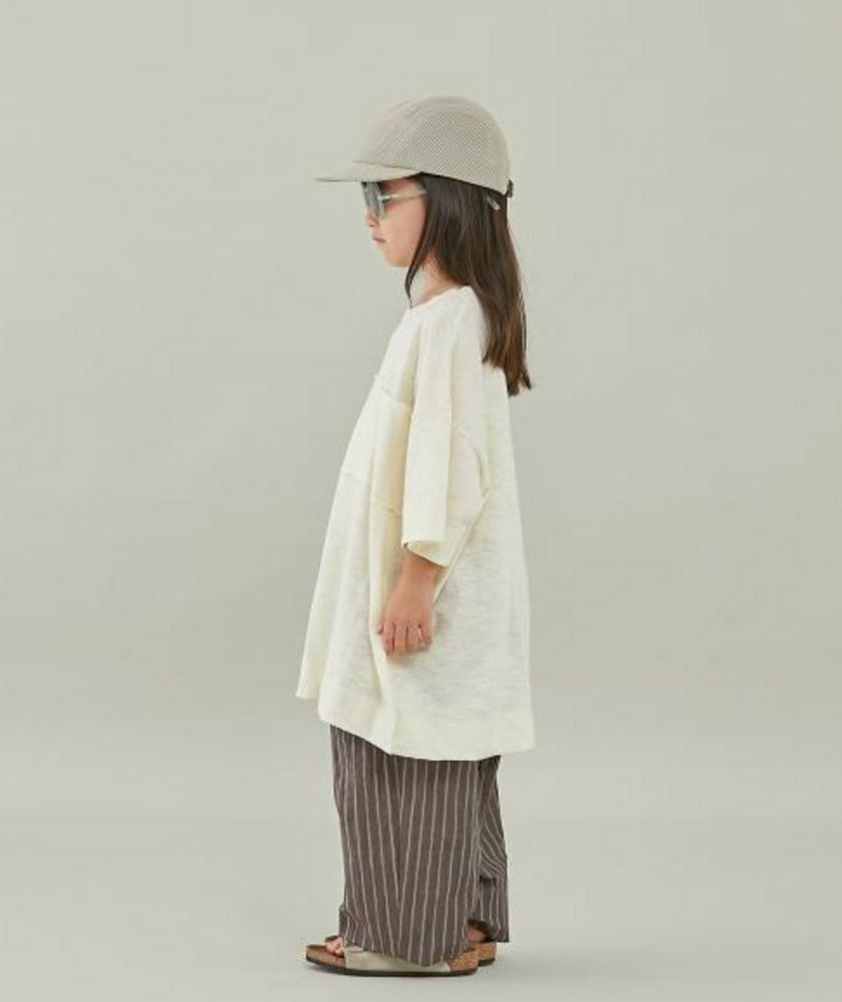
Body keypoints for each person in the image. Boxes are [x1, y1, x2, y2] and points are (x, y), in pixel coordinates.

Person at [296, 95, 536, 977]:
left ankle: (405, 937)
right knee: (445, 746)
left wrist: (415, 579)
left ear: (447, 198)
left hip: (423, 591)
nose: (368, 216)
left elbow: (448, 466)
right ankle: (461, 920)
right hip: (429, 584)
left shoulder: (449, 324)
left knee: (399, 752)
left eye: (383, 195)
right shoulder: (448, 319)